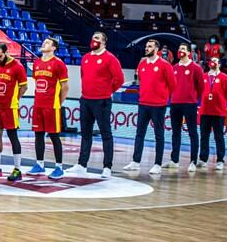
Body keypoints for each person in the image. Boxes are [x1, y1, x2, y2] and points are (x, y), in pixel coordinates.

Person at [71, 31, 124, 178]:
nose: (93, 40)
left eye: (97, 38)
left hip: (102, 101)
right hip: (85, 99)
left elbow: (119, 79)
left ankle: (107, 167)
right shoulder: (86, 58)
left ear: (104, 42)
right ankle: (82, 164)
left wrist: (108, 91)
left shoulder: (110, 58)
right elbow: (83, 76)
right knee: (85, 133)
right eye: (93, 37)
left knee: (105, 134)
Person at [124, 39, 175, 176]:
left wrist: (163, 97)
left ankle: (157, 164)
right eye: (146, 46)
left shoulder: (165, 65)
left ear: (156, 49)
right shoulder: (142, 64)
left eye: (150, 46)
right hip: (143, 103)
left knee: (159, 135)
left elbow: (172, 84)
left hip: (158, 105)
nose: (146, 48)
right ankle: (135, 161)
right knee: (139, 133)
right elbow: (141, 81)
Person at [30, 37, 68, 179]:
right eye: (44, 42)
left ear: (53, 48)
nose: (43, 44)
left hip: (51, 106)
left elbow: (65, 87)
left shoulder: (58, 64)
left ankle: (59, 167)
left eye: (47, 43)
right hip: (38, 104)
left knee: (54, 136)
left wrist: (58, 103)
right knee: (38, 134)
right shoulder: (37, 63)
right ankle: (40, 164)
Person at [0, 43, 28, 181]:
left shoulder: (17, 66)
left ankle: (17, 170)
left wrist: (15, 99)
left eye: (0, 56)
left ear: (6, 52)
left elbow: (24, 87)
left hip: (10, 108)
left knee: (13, 137)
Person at [167, 42, 204, 172]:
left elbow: (201, 88)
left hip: (190, 104)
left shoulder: (196, 68)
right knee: (175, 132)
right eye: (179, 48)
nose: (180, 51)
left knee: (192, 133)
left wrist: (193, 98)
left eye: (182, 49)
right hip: (175, 103)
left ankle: (193, 161)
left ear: (189, 52)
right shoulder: (174, 67)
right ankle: (174, 160)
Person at [198, 57, 227, 171]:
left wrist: (220, 100)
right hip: (205, 111)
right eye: (211, 60)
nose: (212, 62)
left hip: (218, 112)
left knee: (218, 137)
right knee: (204, 136)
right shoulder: (203, 76)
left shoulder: (225, 77)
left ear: (219, 64)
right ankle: (203, 159)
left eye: (215, 61)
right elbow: (199, 91)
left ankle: (220, 160)